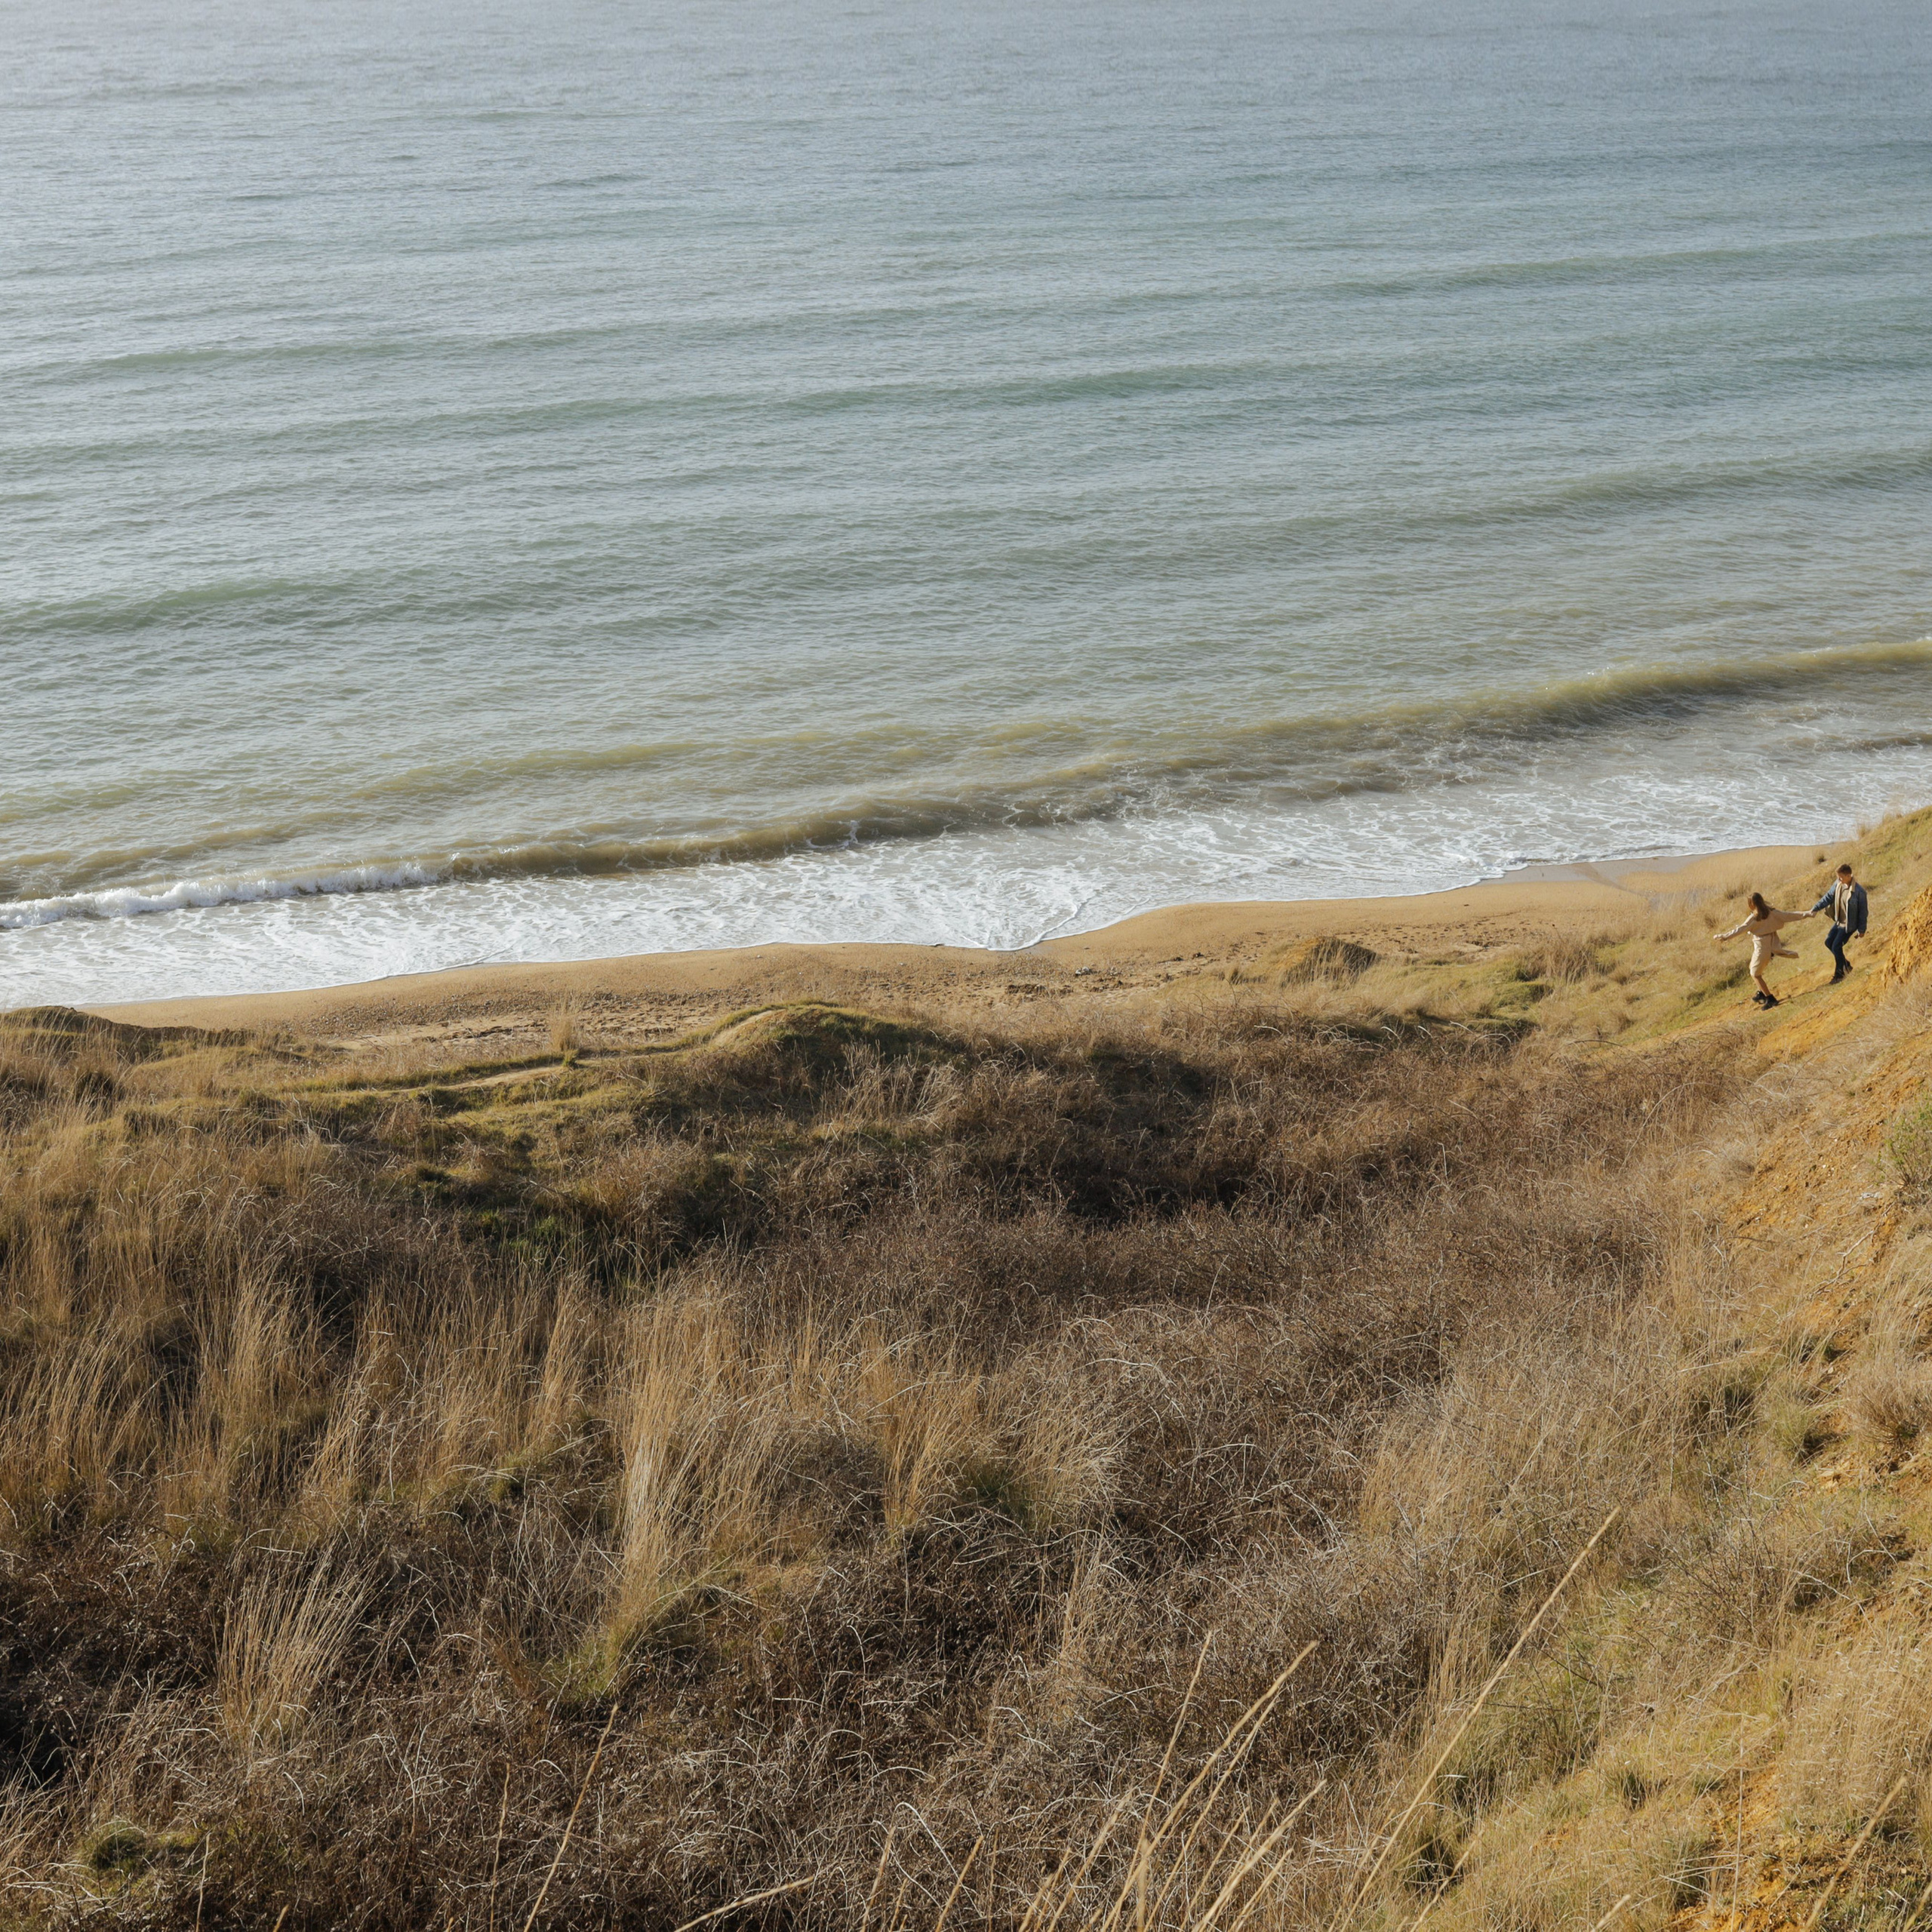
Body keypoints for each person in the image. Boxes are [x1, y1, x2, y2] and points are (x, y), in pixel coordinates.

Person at [1714, 892, 1816, 1008]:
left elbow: (1740, 930)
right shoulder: (1772, 913)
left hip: (1762, 947)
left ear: (1751, 905)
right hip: (1772, 944)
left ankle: (1770, 998)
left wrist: (1725, 937)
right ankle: (1761, 992)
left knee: (1755, 974)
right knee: (1753, 967)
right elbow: (1789, 915)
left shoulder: (1754, 918)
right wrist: (1807, 914)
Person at [1810, 863, 1869, 983]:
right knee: (1829, 942)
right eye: (1838, 877)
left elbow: (1863, 912)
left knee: (1836, 946)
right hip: (1839, 922)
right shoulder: (1838, 884)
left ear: (1849, 875)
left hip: (1849, 925)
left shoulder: (1859, 892)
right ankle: (1846, 965)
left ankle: (1840, 974)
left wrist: (1861, 930)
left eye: (1841, 877)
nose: (1839, 880)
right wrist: (1816, 908)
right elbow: (1828, 897)